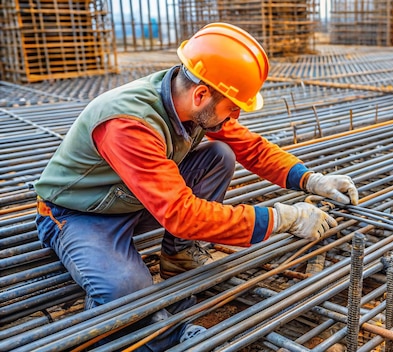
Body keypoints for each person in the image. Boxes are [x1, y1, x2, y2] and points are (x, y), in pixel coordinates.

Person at [34, 22, 358, 351]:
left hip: (134, 199)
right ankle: (161, 336)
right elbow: (181, 214)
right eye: (233, 107)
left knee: (220, 154)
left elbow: (251, 148)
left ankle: (179, 254)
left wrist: (311, 179)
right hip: (78, 214)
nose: (235, 116)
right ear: (201, 94)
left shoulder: (189, 100)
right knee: (124, 289)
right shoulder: (128, 123)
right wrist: (283, 218)